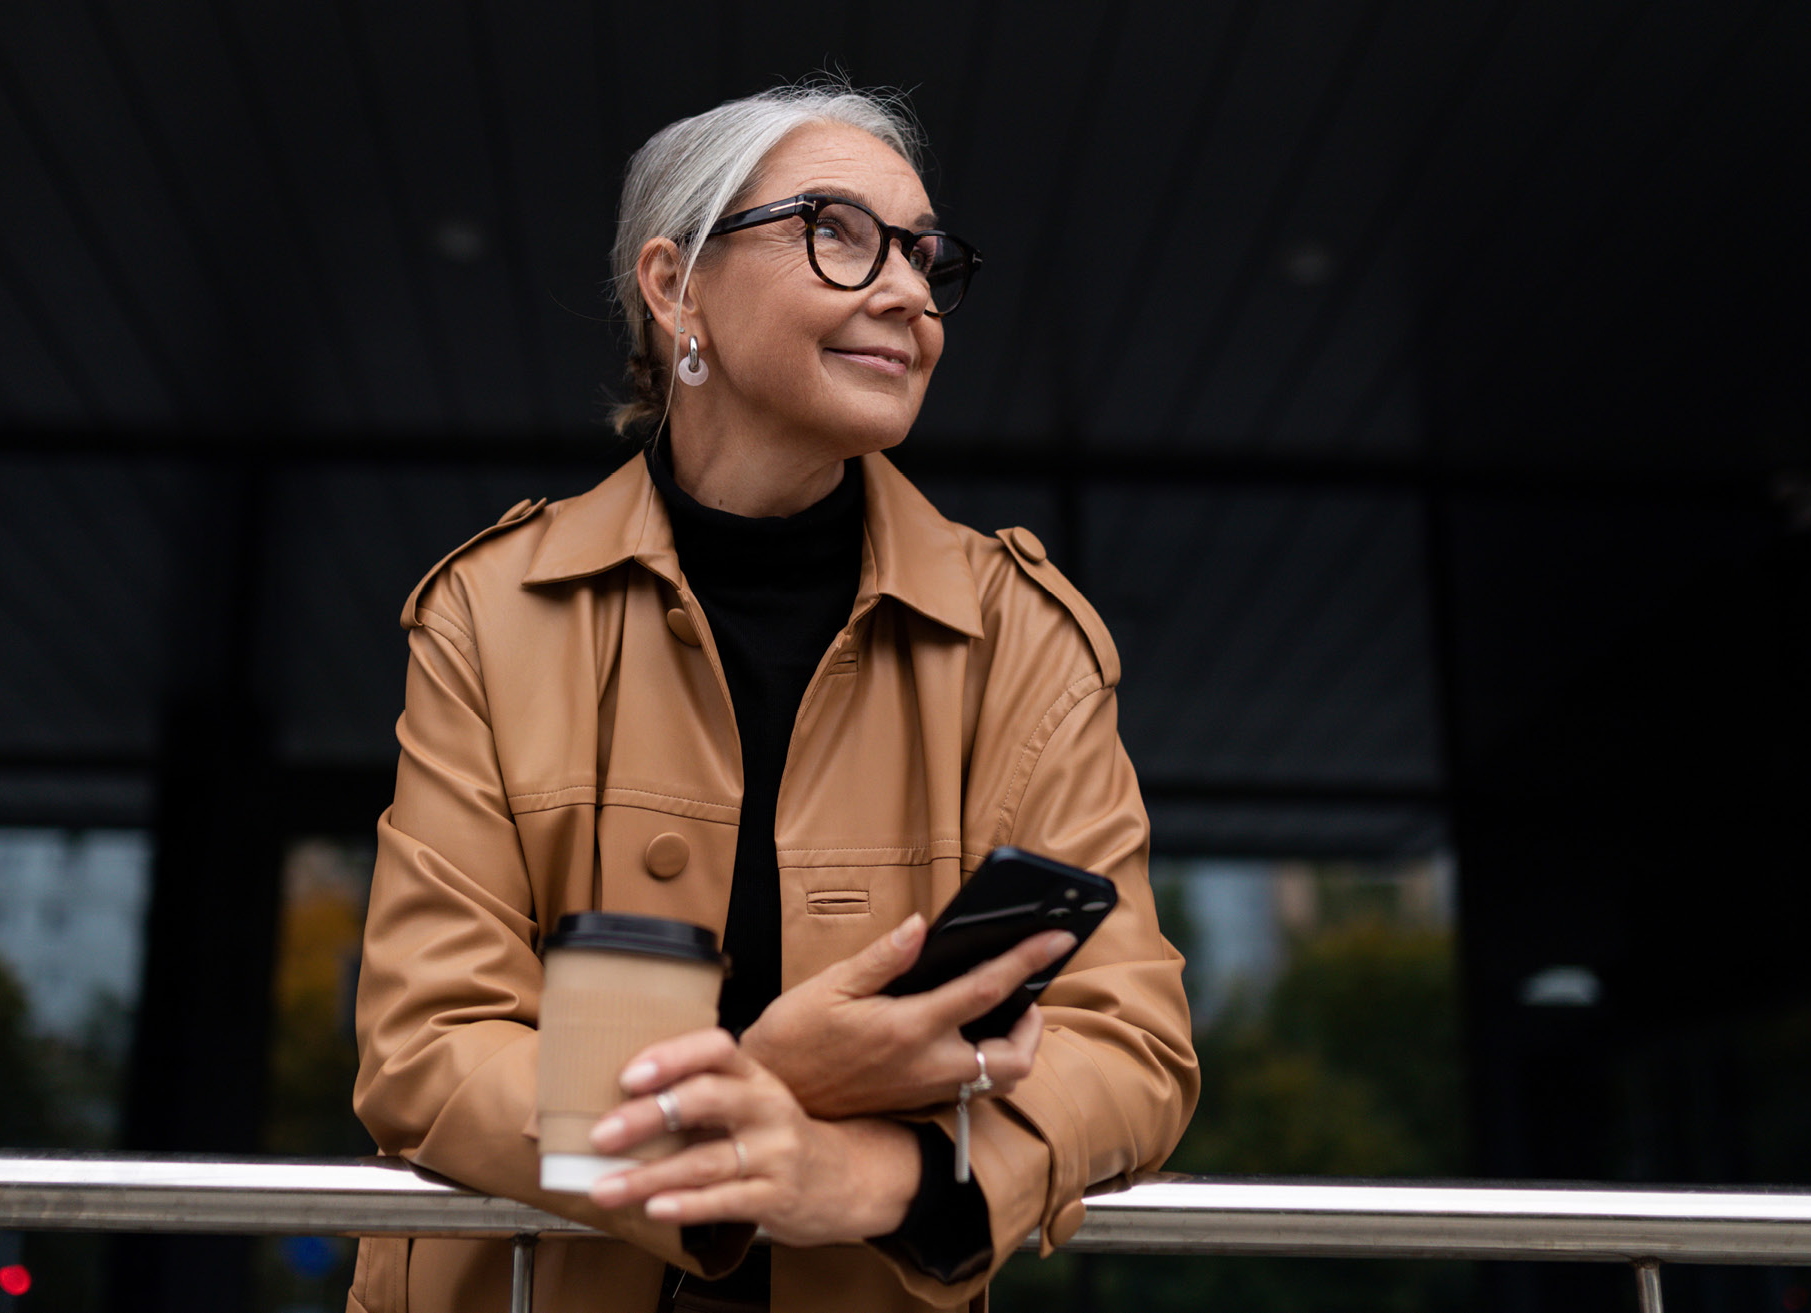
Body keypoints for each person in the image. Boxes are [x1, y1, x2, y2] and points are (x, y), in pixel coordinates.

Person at [348, 79, 1197, 1313]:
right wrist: (757, 1087)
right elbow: (429, 1049)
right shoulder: (494, 610)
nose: (906, 290)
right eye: (837, 232)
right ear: (674, 285)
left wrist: (876, 1177)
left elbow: (1128, 1048)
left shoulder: (1022, 633)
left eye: (924, 254)